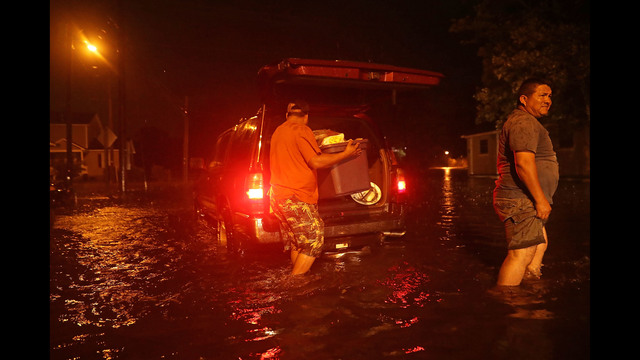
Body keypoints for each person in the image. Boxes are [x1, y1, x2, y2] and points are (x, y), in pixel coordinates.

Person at [269, 100, 362, 275]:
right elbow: (316, 161)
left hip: (278, 196)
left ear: (287, 115)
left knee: (300, 241)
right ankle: (295, 284)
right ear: (306, 117)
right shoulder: (302, 130)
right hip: (295, 196)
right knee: (313, 240)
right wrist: (346, 154)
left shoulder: (279, 131)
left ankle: (297, 279)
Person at [493, 78, 559, 286]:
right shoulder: (523, 122)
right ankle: (508, 304)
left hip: (528, 199)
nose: (548, 100)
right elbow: (523, 163)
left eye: (549, 96)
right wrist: (540, 200)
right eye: (542, 95)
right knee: (520, 254)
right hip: (521, 199)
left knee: (539, 245)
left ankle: (531, 287)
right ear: (524, 98)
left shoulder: (529, 122)